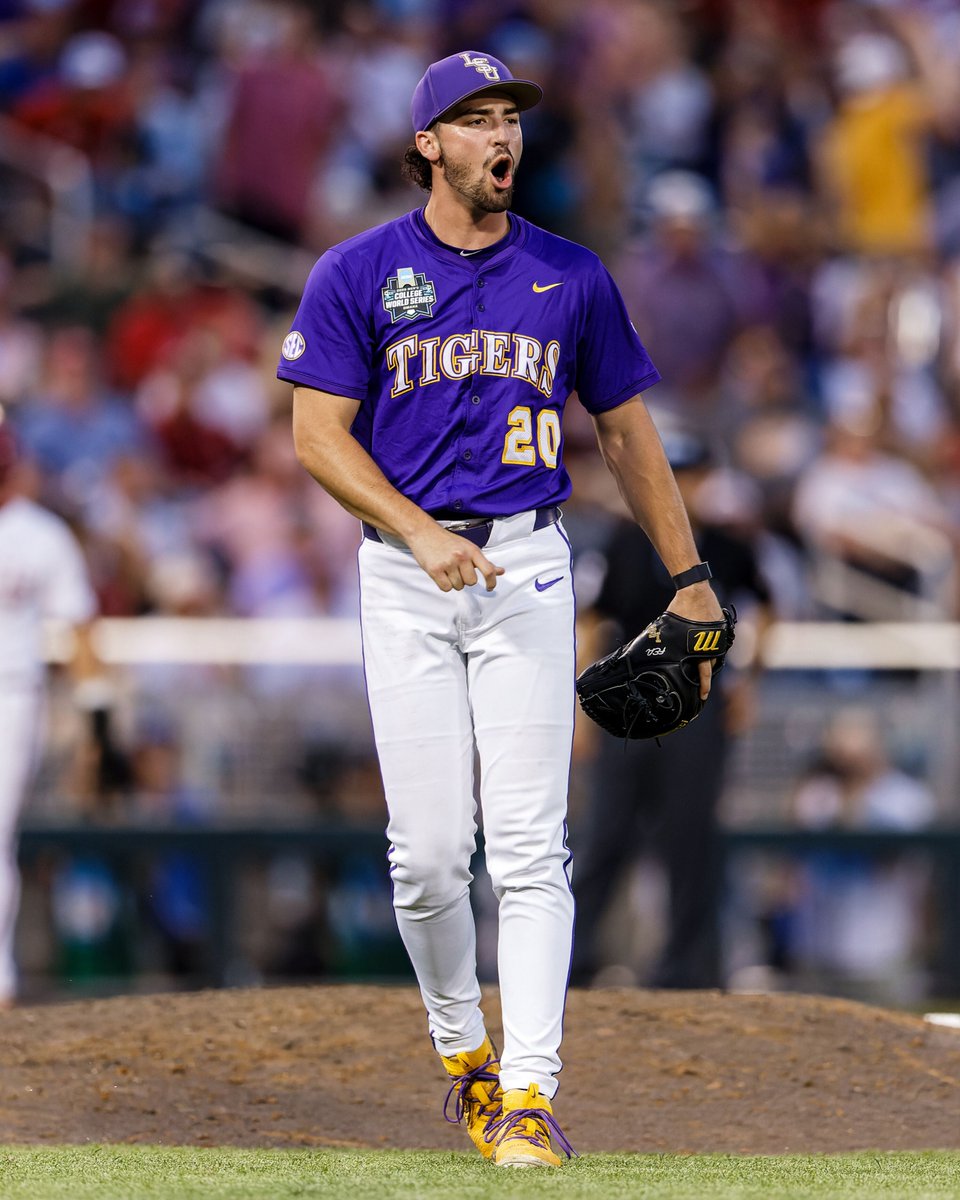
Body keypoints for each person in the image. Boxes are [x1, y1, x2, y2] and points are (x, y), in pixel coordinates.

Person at [279, 50, 722, 1168]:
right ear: (428, 143)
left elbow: (625, 433)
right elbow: (314, 435)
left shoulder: (570, 275)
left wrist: (689, 576)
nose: (500, 137)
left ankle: (529, 1091)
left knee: (529, 846)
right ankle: (464, 1055)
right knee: (428, 857)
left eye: (509, 118)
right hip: (404, 571)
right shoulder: (359, 270)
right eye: (473, 121)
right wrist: (419, 530)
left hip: (527, 565)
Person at [570, 431, 772, 990]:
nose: (684, 488)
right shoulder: (624, 541)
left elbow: (766, 607)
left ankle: (689, 964)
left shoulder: (731, 546)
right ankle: (574, 956)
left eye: (693, 476)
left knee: (691, 838)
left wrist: (751, 681)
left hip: (700, 701)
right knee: (607, 831)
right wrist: (584, 705)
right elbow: (594, 620)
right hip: (630, 702)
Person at [0, 416, 101, 1008]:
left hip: (11, 692)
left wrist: (95, 719)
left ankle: (1, 982)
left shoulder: (40, 534)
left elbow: (78, 625)